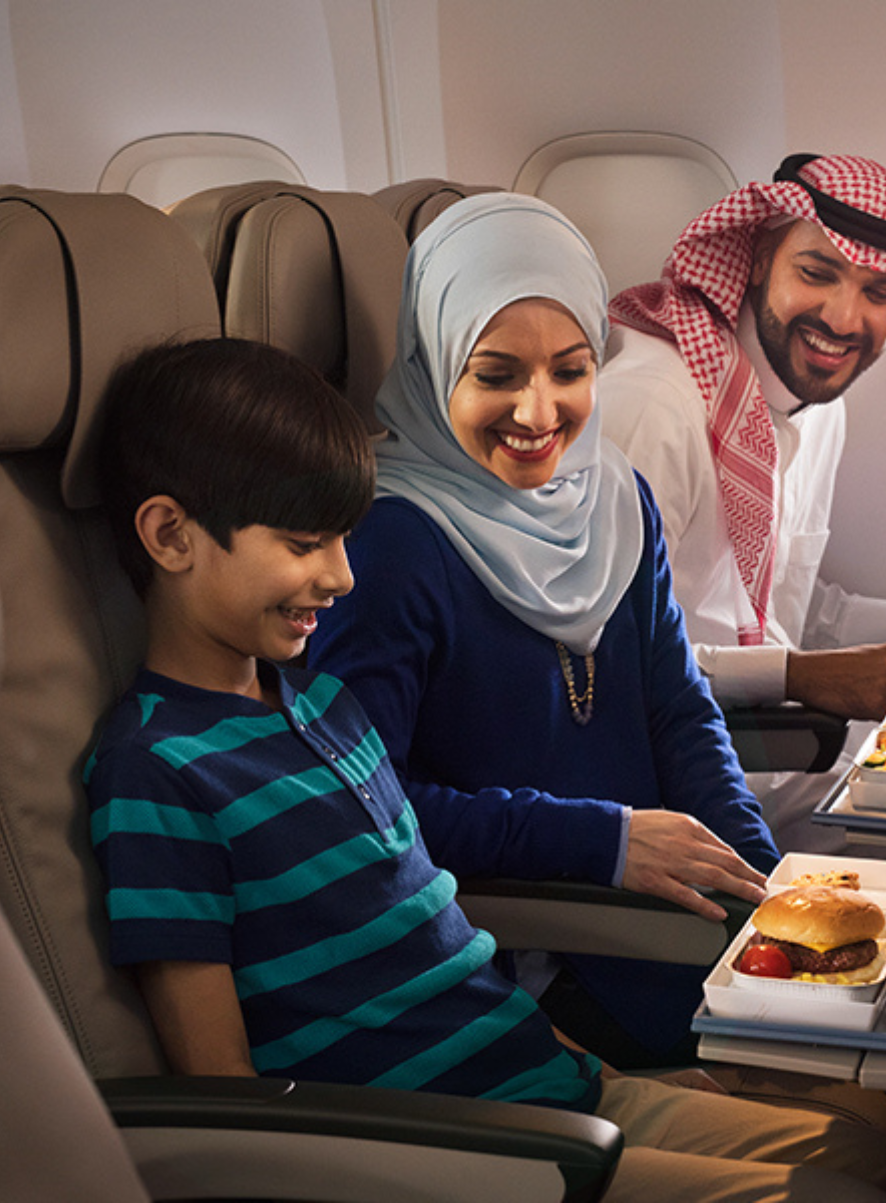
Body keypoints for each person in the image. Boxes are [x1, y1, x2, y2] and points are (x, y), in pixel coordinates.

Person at [85, 336, 886, 1203]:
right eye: (305, 543)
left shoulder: (322, 707)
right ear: (169, 535)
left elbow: (442, 944)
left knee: (875, 1152)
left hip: (545, 1085)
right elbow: (229, 1100)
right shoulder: (159, 774)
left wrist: (609, 1081)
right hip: (447, 1149)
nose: (341, 575)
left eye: (342, 540)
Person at [306, 192, 778, 1068]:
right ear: (435, 361)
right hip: (542, 945)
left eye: (569, 370)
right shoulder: (390, 544)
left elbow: (679, 711)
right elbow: (366, 805)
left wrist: (766, 878)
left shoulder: (615, 496)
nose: (539, 412)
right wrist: (603, 840)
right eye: (495, 375)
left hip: (666, 912)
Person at [598, 152, 886, 851]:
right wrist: (804, 676)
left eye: (879, 292)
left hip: (783, 750)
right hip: (684, 783)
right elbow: (604, 661)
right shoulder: (655, 408)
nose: (845, 318)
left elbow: (786, 609)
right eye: (817, 273)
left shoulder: (816, 404)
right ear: (755, 261)